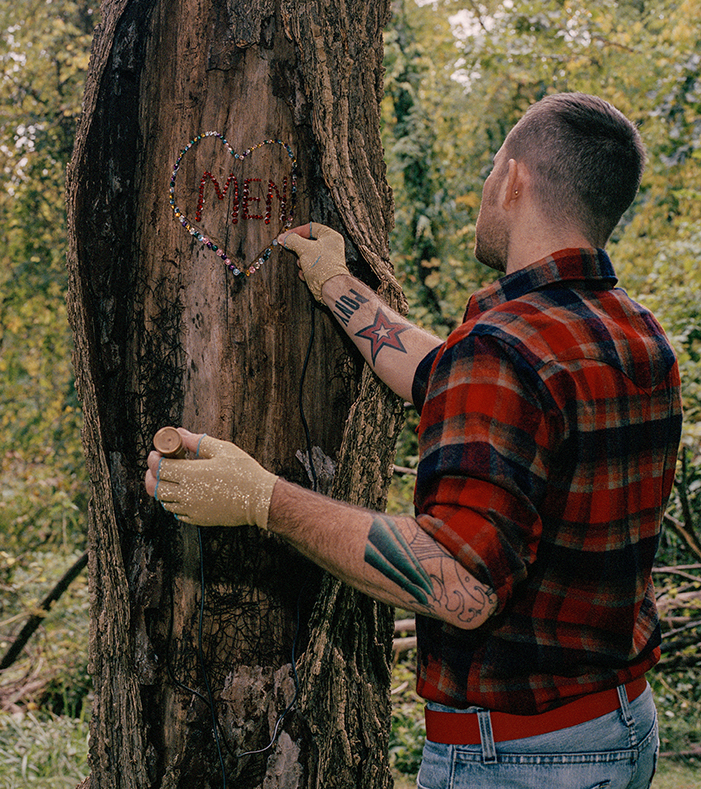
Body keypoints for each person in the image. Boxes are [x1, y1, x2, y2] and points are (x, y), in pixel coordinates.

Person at [144, 93, 682, 788]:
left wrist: (260, 499)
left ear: (514, 180)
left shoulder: (502, 353)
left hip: (520, 760)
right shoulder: (632, 331)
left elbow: (462, 582)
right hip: (620, 727)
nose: (486, 191)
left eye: (492, 172)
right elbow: (448, 374)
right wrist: (337, 286)